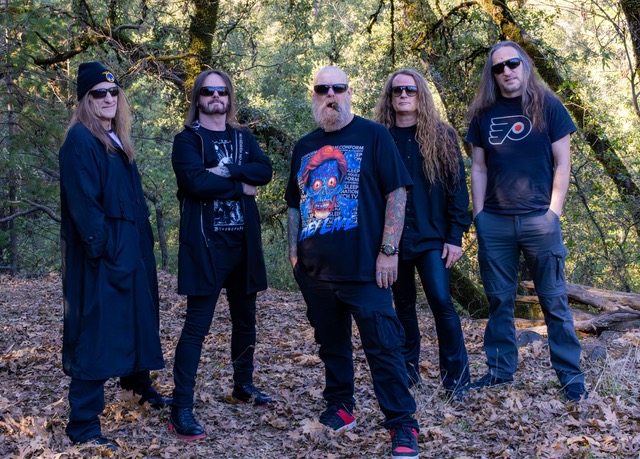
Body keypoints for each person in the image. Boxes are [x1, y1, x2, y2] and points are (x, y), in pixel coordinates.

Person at [286, 65, 421, 459]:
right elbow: (294, 204)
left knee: (384, 347)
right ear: (314, 95)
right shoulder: (304, 146)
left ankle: (402, 424)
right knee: (331, 345)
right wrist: (294, 254)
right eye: (322, 88)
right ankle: (341, 406)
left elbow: (397, 193)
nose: (331, 94)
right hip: (316, 272)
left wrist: (389, 250)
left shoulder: (374, 135)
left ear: (349, 92)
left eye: (338, 87)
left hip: (367, 270)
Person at [465, 41, 587, 401]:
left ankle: (571, 377)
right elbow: (478, 167)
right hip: (495, 223)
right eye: (498, 67)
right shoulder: (483, 113)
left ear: (524, 65)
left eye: (512, 63)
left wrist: (553, 213)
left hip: (539, 221)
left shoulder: (548, 105)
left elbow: (563, 164)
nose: (507, 71)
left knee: (554, 301)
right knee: (499, 301)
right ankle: (500, 371)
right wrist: (479, 216)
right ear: (492, 74)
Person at [59, 62, 169, 451]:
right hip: (103, 256)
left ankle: (138, 388)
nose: (108, 98)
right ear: (85, 100)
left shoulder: (116, 139)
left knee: (138, 318)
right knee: (97, 332)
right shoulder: (80, 139)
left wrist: (138, 247)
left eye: (113, 92)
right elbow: (84, 203)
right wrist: (102, 250)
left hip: (132, 251)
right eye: (98, 94)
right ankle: (83, 424)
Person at [169, 69, 273, 441]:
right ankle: (181, 407)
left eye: (222, 91)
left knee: (246, 322)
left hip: (244, 245)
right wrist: (241, 186)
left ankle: (243, 386)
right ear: (197, 98)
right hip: (206, 247)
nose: (216, 97)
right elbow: (195, 182)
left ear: (229, 98)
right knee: (196, 327)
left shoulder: (242, 137)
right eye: (209, 91)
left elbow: (265, 170)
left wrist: (226, 171)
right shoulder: (187, 139)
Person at [374, 69, 471, 397]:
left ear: (421, 95)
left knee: (442, 301)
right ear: (389, 97)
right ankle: (408, 373)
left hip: (433, 238)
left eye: (410, 90)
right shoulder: (380, 137)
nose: (403, 95)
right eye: (397, 90)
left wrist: (455, 237)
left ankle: (457, 380)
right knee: (402, 305)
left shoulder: (441, 136)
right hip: (393, 241)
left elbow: (458, 189)